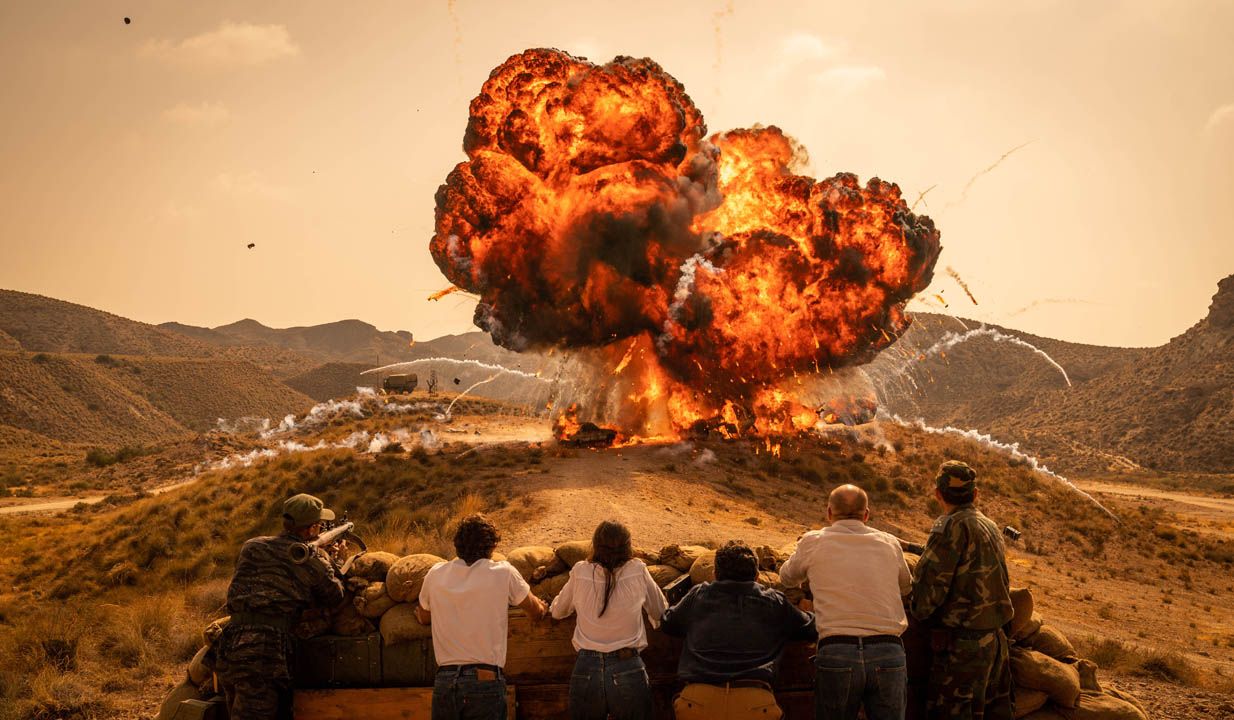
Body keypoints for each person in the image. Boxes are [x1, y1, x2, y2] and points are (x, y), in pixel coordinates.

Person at [779, 484, 912, 720]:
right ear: (866, 515)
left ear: (829, 513)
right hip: (888, 651)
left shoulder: (813, 541)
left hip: (837, 651)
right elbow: (906, 586)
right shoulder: (889, 542)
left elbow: (786, 577)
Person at [214, 493, 347, 720]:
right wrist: (335, 560)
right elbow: (335, 596)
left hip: (230, 644)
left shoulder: (252, 546)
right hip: (265, 652)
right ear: (312, 528)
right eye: (319, 525)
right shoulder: (309, 560)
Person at [661, 540, 816, 720]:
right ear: (757, 576)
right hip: (755, 706)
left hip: (697, 703)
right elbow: (810, 628)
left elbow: (668, 623)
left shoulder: (699, 595)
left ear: (714, 574)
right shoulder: (774, 602)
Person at [416, 514, 548, 720]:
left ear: (457, 545)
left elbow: (424, 617)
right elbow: (536, 612)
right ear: (492, 547)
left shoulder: (435, 574)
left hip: (445, 681)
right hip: (484, 681)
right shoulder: (503, 572)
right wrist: (542, 606)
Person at [909, 461, 1015, 720]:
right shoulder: (989, 525)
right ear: (975, 494)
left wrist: (916, 611)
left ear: (938, 493)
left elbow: (928, 593)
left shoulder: (950, 526)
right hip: (994, 642)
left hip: (963, 648)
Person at [549, 520, 669, 720]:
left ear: (595, 545)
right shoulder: (638, 569)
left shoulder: (580, 571)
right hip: (627, 666)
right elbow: (660, 612)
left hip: (586, 668)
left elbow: (558, 611)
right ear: (628, 546)